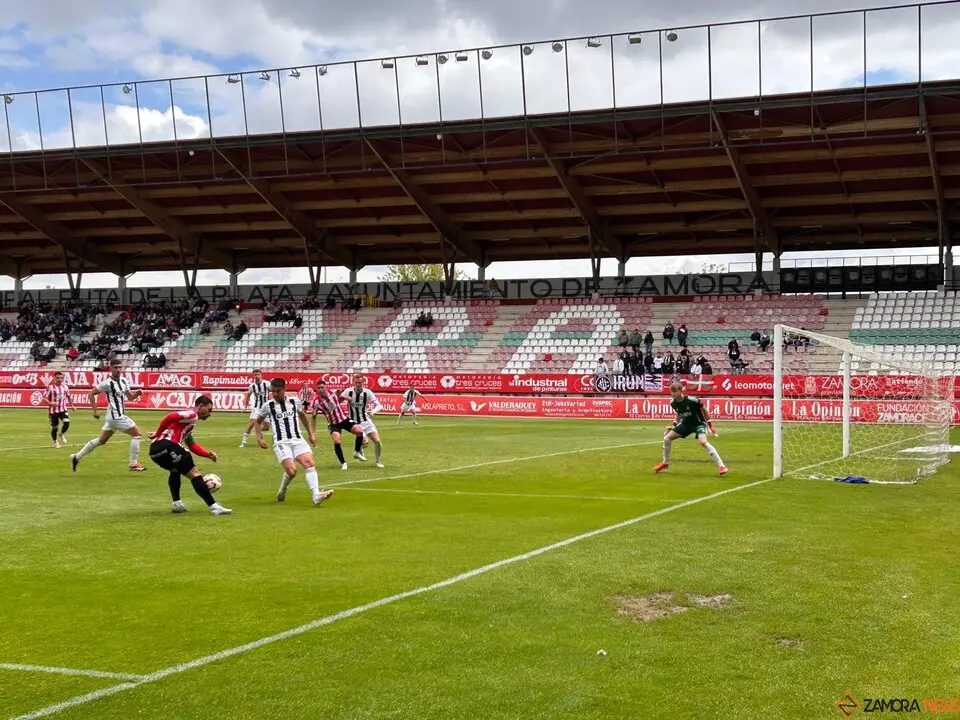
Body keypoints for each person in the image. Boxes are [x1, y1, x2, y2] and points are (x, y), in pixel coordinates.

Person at [147, 395, 232, 516]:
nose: (209, 413)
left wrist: (208, 455)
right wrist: (157, 433)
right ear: (201, 406)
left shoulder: (188, 424)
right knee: (195, 473)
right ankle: (214, 507)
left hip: (155, 451)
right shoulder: (192, 414)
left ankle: (177, 504)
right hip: (168, 445)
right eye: (209, 410)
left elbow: (192, 445)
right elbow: (171, 416)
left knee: (175, 470)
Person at [257, 377, 334, 506]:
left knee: (309, 463)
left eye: (278, 391)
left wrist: (310, 434)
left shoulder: (294, 401)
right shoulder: (268, 406)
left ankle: (316, 495)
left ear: (284, 390)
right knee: (292, 471)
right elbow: (257, 421)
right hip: (282, 442)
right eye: (273, 391)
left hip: (298, 439)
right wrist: (259, 439)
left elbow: (303, 416)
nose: (275, 394)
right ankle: (282, 489)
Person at [71, 359, 146, 472]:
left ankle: (77, 457)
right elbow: (91, 393)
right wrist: (95, 411)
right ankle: (133, 463)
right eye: (115, 367)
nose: (118, 370)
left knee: (102, 440)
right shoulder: (107, 383)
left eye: (120, 367)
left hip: (113, 417)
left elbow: (130, 397)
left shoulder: (124, 381)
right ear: (110, 368)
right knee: (137, 434)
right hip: (116, 416)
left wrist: (137, 394)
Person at [654, 381, 727, 476]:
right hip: (685, 425)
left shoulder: (692, 400)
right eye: (671, 392)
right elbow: (678, 413)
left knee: (703, 442)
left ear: (680, 391)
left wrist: (710, 425)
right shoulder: (673, 403)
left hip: (698, 424)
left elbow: (704, 410)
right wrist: (674, 425)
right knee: (667, 438)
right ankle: (665, 463)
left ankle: (721, 466)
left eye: (674, 391)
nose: (672, 394)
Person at [313, 378, 362, 470]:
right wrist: (313, 432)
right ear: (316, 389)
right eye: (318, 388)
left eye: (322, 387)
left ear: (325, 387)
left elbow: (340, 397)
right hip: (333, 423)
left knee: (359, 431)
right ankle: (343, 463)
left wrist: (346, 398)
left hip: (344, 419)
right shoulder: (316, 402)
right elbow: (313, 416)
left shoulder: (334, 392)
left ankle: (357, 452)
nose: (320, 389)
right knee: (336, 440)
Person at [339, 374, 384, 468]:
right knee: (365, 442)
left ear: (363, 382)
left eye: (360, 382)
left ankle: (378, 461)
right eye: (356, 382)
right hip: (353, 422)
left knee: (378, 442)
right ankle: (358, 450)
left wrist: (373, 411)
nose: (358, 384)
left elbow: (379, 405)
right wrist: (343, 398)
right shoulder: (348, 391)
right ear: (353, 382)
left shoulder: (368, 392)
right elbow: (337, 401)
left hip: (365, 420)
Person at [240, 369, 271, 448]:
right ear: (253, 376)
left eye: (258, 374)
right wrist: (245, 407)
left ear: (261, 375)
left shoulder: (267, 384)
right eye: (255, 375)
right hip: (257, 408)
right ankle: (243, 442)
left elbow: (274, 391)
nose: (257, 376)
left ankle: (259, 431)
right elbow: (248, 396)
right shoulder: (252, 386)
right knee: (251, 423)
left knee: (267, 427)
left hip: (266, 408)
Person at [45, 370, 71, 448]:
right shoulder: (50, 387)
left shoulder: (65, 387)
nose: (60, 379)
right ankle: (55, 442)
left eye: (61, 378)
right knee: (55, 428)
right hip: (53, 411)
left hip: (63, 409)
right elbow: (44, 398)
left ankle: (61, 434)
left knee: (67, 422)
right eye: (58, 378)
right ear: (54, 379)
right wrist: (51, 403)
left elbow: (68, 396)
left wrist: (72, 405)